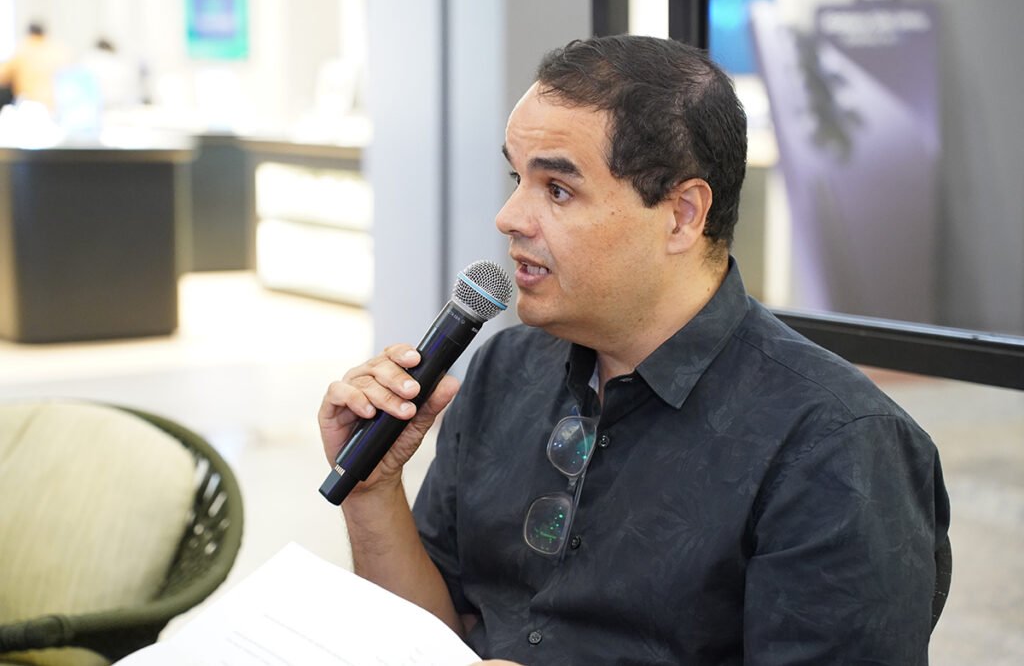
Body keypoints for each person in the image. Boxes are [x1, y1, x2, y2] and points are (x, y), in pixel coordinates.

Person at [319, 35, 950, 665]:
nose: (509, 217)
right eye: (517, 178)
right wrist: (374, 494)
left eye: (557, 190)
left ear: (682, 215)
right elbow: (430, 637)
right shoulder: (505, 368)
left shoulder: (836, 441)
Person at [0, 22, 69, 110]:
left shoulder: (23, 50)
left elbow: (2, 76)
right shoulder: (58, 51)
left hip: (30, 105)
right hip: (56, 106)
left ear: (29, 34)